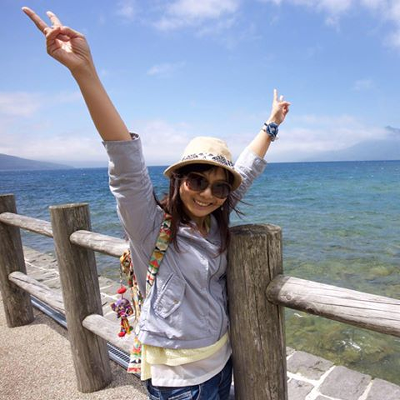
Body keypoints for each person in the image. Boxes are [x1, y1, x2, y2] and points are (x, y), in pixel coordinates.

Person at [22, 6, 290, 400]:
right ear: (179, 180)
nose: (208, 194)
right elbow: (126, 163)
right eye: (197, 181)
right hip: (180, 383)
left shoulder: (214, 218)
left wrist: (272, 125)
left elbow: (245, 170)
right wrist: (84, 71)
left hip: (222, 365)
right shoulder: (150, 225)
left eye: (219, 188)